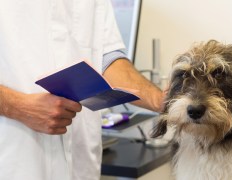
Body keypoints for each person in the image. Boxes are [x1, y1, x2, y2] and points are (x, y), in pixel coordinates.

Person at [0, 1, 163, 180]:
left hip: (80, 162)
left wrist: (160, 100)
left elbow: (106, 58)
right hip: (14, 158)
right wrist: (16, 106)